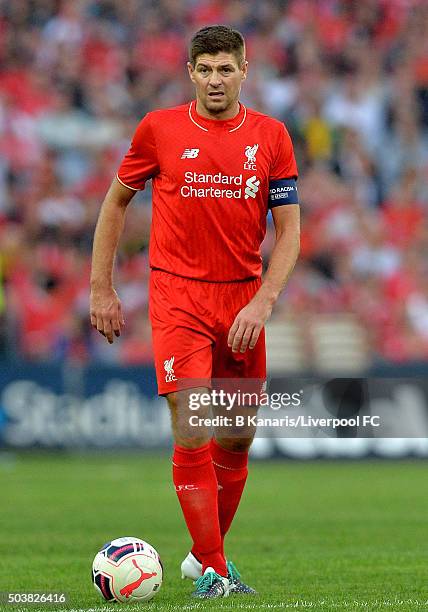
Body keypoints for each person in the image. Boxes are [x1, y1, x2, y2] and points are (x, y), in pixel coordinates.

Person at [90, 24, 300, 599]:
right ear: (191, 73)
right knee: (194, 422)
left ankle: (205, 557)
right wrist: (100, 288)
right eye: (204, 69)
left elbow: (289, 233)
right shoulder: (158, 129)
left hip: (242, 300)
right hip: (178, 294)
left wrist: (263, 300)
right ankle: (214, 571)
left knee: (236, 439)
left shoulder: (272, 136)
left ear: (243, 71)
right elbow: (116, 202)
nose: (215, 79)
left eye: (225, 69)